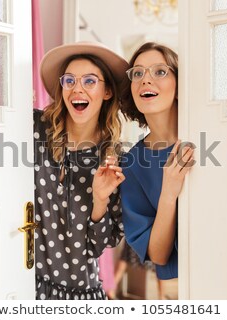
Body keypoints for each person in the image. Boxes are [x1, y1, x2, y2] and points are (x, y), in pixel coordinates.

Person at [34, 41, 128, 300]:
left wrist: (100, 200)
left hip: (82, 295)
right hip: (23, 286)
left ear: (107, 91)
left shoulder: (116, 161)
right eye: (70, 80)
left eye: (89, 81)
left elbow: (96, 246)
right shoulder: (34, 129)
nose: (77, 88)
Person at [120, 42, 194, 288]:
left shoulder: (208, 135)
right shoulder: (131, 163)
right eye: (138, 73)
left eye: (160, 71)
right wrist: (168, 193)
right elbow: (158, 254)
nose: (146, 80)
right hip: (184, 286)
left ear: (178, 87)